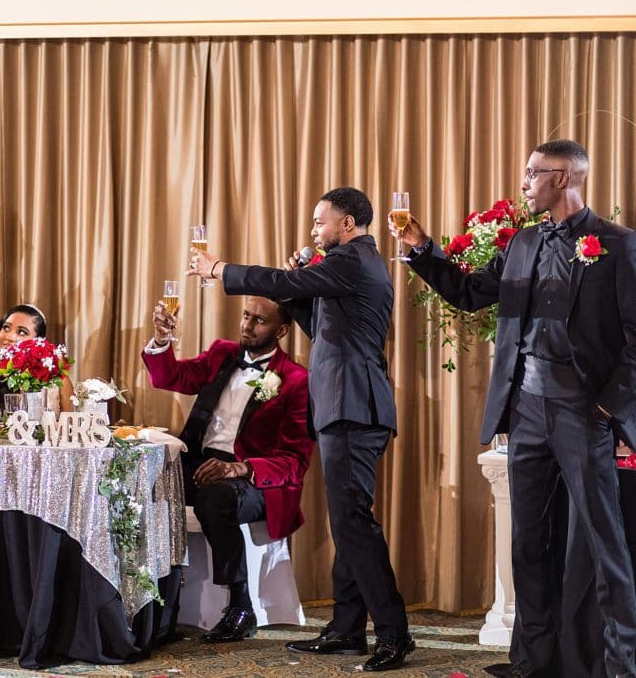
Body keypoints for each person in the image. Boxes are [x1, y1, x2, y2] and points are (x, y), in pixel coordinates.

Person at [392, 139, 636, 677]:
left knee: (604, 543)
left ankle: (620, 666)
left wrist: (606, 410)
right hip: (524, 409)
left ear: (563, 178)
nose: (523, 182)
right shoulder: (524, 242)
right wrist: (422, 249)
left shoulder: (618, 245)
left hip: (581, 411)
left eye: (532, 173)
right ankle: (533, 660)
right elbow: (472, 291)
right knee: (528, 540)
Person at [190, 187, 414, 672]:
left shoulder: (354, 260)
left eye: (320, 222)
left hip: (355, 409)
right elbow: (325, 329)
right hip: (346, 408)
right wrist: (299, 282)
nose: (314, 230)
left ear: (347, 225)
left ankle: (394, 635)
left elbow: (271, 280)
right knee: (349, 521)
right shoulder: (350, 266)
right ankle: (347, 629)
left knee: (355, 523)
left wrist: (219, 270)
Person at [141, 295, 313, 643]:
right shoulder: (222, 354)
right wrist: (161, 341)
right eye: (246, 316)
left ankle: (241, 607)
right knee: (146, 487)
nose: (247, 326)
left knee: (216, 500)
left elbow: (295, 460)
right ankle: (156, 607)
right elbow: (172, 377)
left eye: (259, 320)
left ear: (281, 330)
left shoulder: (296, 380)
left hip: (254, 482)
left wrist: (240, 469)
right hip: (198, 463)